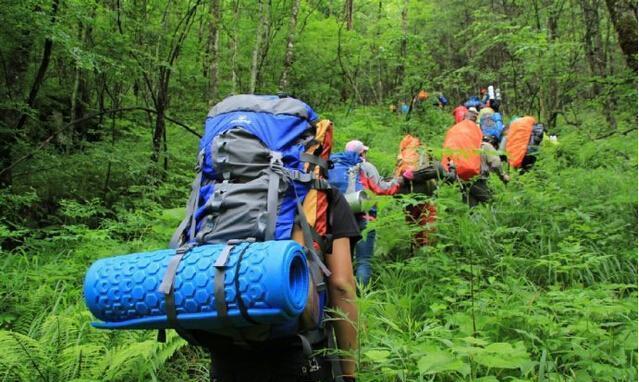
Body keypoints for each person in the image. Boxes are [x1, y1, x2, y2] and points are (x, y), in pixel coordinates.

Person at [193, 187, 362, 382]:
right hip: (299, 354)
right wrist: (348, 372)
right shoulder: (321, 193)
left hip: (227, 352)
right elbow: (341, 286)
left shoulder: (217, 190)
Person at [330, 140, 405, 286]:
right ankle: (361, 298)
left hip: (339, 218)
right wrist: (400, 181)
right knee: (363, 260)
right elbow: (382, 188)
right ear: (362, 153)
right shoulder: (365, 166)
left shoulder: (334, 165)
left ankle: (344, 298)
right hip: (364, 215)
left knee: (344, 260)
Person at [462, 139, 510, 207]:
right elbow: (496, 164)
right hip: (478, 180)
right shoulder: (485, 146)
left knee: (472, 209)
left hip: (462, 181)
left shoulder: (464, 146)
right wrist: (503, 175)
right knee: (494, 203)